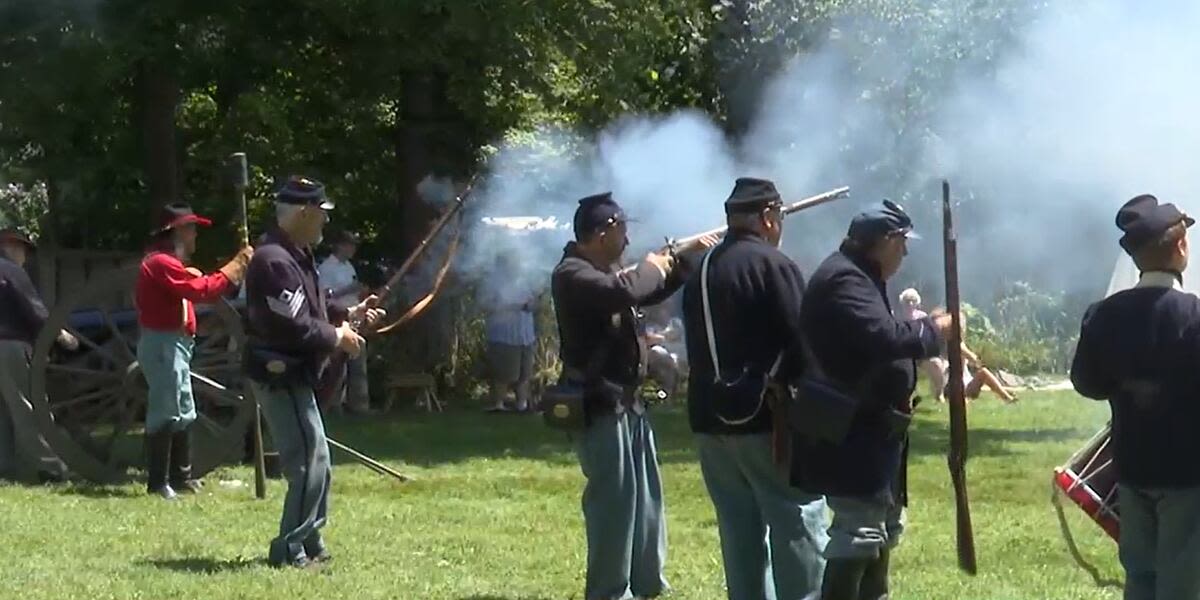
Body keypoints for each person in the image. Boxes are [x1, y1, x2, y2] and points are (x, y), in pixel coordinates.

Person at [551, 191, 718, 600]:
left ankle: (647, 583)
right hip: (599, 403)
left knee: (646, 502)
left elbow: (645, 291)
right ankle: (610, 591)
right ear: (604, 231)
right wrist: (652, 265)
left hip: (627, 401)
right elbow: (623, 292)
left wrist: (680, 262)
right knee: (614, 506)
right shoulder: (573, 273)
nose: (627, 240)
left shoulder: (604, 272)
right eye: (622, 230)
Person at [792, 200, 950, 600]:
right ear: (884, 240)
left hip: (870, 428)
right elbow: (886, 338)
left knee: (878, 532)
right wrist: (934, 330)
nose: (905, 252)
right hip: (851, 429)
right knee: (858, 534)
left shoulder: (857, 275)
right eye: (902, 242)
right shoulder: (845, 279)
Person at [681, 178, 830, 600]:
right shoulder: (772, 264)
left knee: (737, 530)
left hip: (709, 418)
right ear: (768, 217)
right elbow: (803, 341)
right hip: (768, 418)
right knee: (796, 519)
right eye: (778, 218)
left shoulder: (702, 269)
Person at [243, 176, 385, 569]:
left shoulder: (294, 254)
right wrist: (337, 336)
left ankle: (309, 539)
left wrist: (349, 315)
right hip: (279, 371)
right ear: (304, 212)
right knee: (306, 460)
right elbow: (294, 325)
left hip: (294, 370)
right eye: (321, 214)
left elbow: (313, 306)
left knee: (316, 457)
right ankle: (289, 548)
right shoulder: (273, 259)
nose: (324, 222)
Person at [1071, 194, 1200, 600]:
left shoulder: (1102, 315)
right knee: (1182, 581)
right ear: (1181, 247)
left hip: (1132, 464)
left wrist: (1129, 387)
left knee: (1140, 576)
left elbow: (1087, 383)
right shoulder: (1195, 315)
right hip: (1187, 471)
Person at [135, 203, 253, 499]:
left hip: (176, 342)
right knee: (165, 409)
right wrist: (235, 267)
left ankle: (181, 476)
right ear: (175, 231)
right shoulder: (160, 263)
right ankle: (158, 482)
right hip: (162, 342)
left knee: (183, 407)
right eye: (190, 228)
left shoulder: (170, 264)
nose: (194, 234)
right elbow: (199, 290)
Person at [0, 228, 74, 482]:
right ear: (10, 245)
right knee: (29, 407)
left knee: (4, 410)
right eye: (24, 250)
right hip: (10, 345)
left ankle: (5, 465)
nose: (25, 257)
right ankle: (51, 466)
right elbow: (34, 309)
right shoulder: (10, 270)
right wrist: (60, 335)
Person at [317, 229, 374, 416]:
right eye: (350, 244)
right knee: (337, 365)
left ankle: (359, 406)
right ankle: (334, 406)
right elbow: (324, 298)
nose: (353, 249)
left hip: (353, 318)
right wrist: (348, 289)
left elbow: (354, 293)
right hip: (336, 320)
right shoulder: (326, 268)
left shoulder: (349, 266)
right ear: (340, 245)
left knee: (357, 361)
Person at [481, 253, 538, 413]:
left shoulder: (524, 281)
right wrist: (512, 306)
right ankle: (498, 404)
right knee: (504, 374)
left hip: (525, 335)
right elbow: (485, 305)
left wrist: (531, 305)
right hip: (503, 335)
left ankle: (522, 405)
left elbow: (534, 302)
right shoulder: (492, 283)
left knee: (524, 374)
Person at [898, 288, 947, 403]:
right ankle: (905, 397)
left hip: (921, 354)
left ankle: (939, 394)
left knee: (937, 364)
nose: (910, 303)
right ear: (902, 302)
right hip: (902, 355)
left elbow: (930, 337)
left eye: (913, 301)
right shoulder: (896, 317)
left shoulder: (923, 317)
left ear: (917, 303)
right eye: (907, 301)